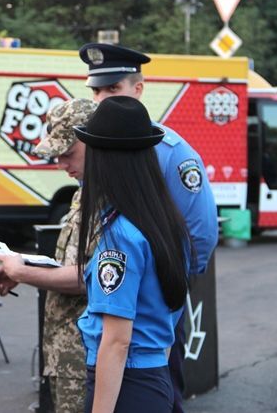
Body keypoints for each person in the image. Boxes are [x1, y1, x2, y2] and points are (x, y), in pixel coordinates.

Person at [79, 42, 219, 412]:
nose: (102, 99)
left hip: (136, 347)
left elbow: (199, 236)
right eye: (96, 90)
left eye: (113, 89)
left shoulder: (172, 153)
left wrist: (165, 294)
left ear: (137, 88)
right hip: (139, 343)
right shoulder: (122, 163)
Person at [73, 96, 192, 412]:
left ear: (106, 160)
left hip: (126, 384)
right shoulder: (166, 223)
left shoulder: (120, 236)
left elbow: (116, 341)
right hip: (154, 378)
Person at [0, 98, 97, 413]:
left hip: (85, 352)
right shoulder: (83, 193)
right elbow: (72, 265)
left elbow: (90, 277)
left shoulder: (110, 199)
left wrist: (23, 273)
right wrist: (22, 265)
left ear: (94, 141)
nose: (61, 164)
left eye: (67, 153)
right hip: (67, 350)